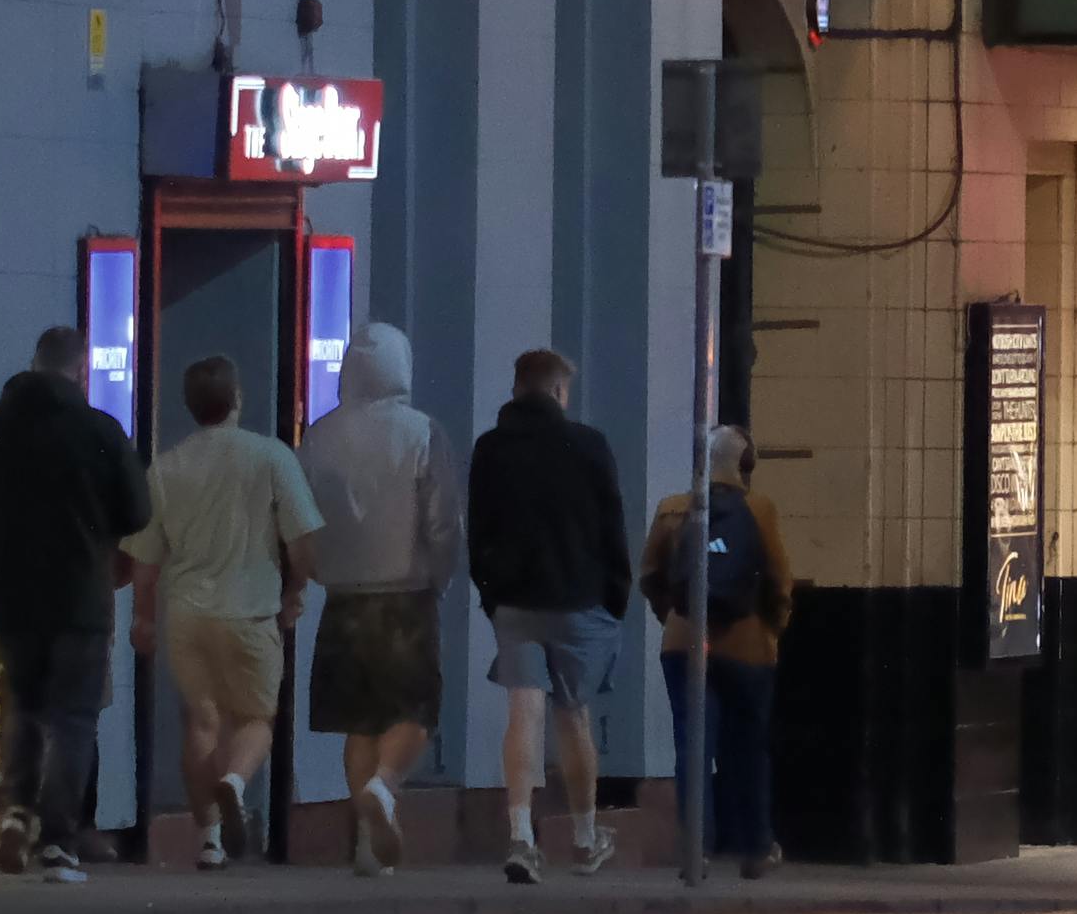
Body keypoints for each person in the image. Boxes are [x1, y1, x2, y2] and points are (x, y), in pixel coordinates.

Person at [0, 322, 148, 880]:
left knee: (26, 705)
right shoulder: (99, 430)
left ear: (34, 363)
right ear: (81, 370)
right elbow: (137, 511)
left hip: (11, 596)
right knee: (73, 718)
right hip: (81, 595)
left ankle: (16, 814)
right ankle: (58, 840)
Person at [133, 349, 314, 869]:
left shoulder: (166, 467)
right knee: (256, 717)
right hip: (251, 612)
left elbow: (146, 559)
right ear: (237, 398)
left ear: (190, 405)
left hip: (188, 614)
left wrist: (143, 616)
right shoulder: (272, 457)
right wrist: (295, 590)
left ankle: (210, 838)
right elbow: (303, 540)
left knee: (202, 722)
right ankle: (234, 781)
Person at [462, 348, 634, 883]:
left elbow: (479, 529)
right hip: (578, 600)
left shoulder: (490, 448)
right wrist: (614, 599)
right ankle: (584, 839)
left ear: (517, 388)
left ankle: (521, 836)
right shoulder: (589, 445)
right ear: (559, 391)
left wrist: (491, 596)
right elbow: (612, 528)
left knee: (524, 710)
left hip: (515, 603)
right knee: (573, 715)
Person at [295, 317, 451, 874]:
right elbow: (441, 521)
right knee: (414, 711)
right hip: (407, 595)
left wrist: (309, 573)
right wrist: (441, 574)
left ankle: (366, 844)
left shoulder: (318, 436)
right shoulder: (423, 432)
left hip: (342, 598)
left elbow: (301, 516)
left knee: (358, 721)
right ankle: (384, 787)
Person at [643, 430, 792, 875]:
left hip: (685, 642)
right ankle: (756, 847)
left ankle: (697, 849)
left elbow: (650, 575)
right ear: (747, 465)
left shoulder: (672, 509)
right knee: (748, 748)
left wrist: (675, 618)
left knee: (692, 745)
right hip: (748, 646)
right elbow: (779, 580)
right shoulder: (760, 509)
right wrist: (771, 629)